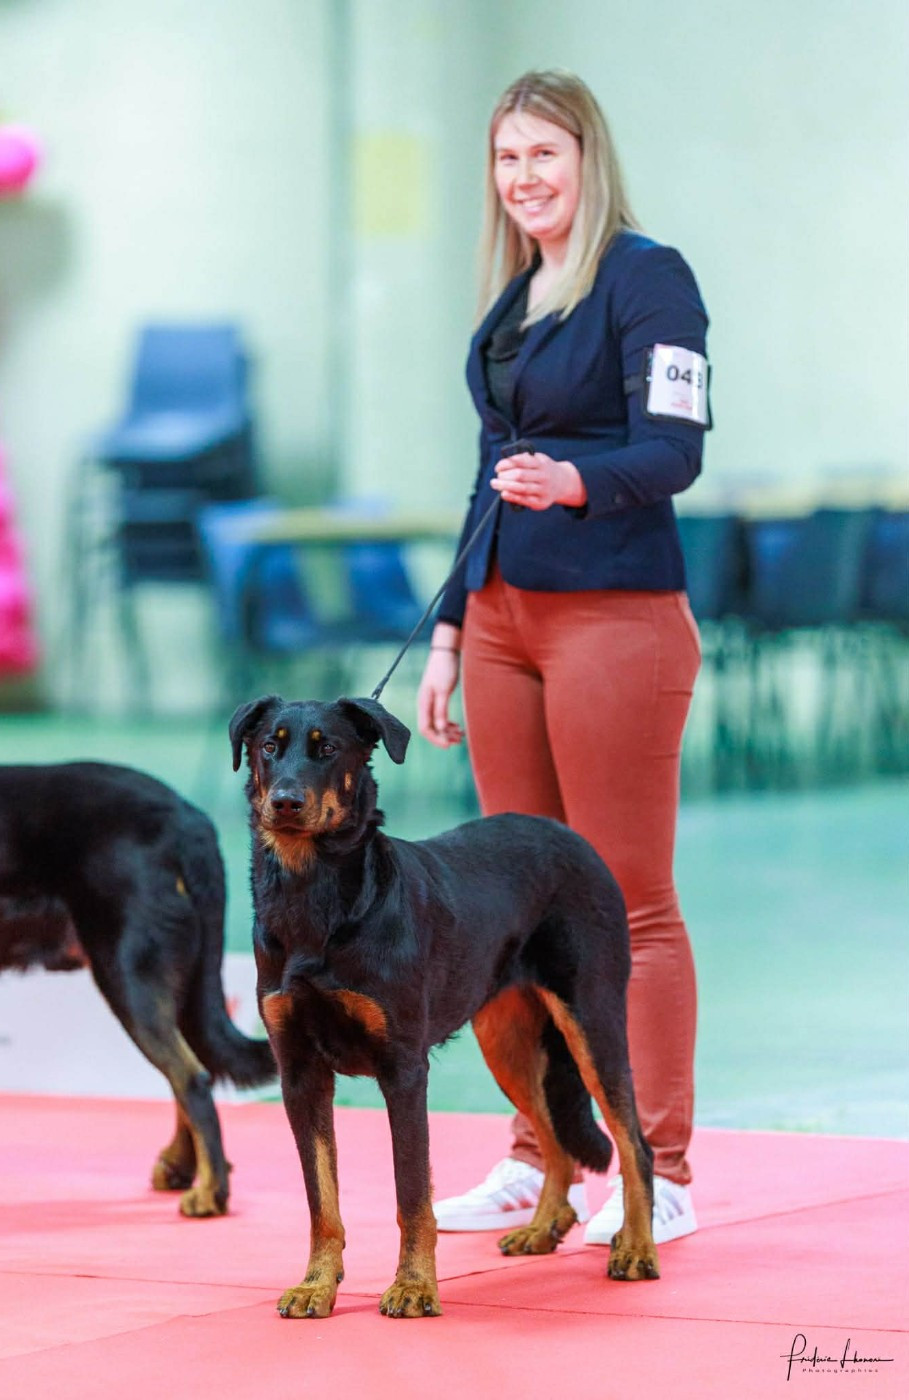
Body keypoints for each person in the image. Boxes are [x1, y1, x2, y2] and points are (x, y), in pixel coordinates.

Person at [416, 69, 709, 1247]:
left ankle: (663, 1167)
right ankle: (538, 1153)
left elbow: (676, 450)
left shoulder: (646, 276)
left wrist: (577, 479)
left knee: (627, 900)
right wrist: (449, 630)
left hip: (615, 614)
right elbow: (485, 480)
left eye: (544, 154)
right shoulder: (513, 301)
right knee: (512, 904)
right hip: (502, 618)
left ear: (587, 158)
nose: (524, 177)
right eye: (507, 157)